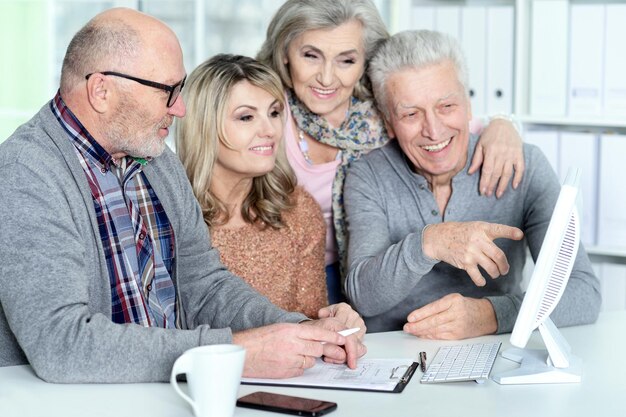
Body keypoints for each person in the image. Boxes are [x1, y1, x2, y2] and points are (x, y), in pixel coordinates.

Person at [0, 8, 366, 384]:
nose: (181, 108)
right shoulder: (26, 172)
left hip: (168, 391)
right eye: (167, 91)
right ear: (102, 91)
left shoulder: (156, 161)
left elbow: (203, 286)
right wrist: (232, 354)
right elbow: (61, 345)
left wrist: (303, 330)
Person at [257, 0, 525, 303]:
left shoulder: (389, 114)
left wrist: (505, 125)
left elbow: (455, 122)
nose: (327, 78)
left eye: (346, 60)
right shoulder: (266, 111)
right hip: (278, 273)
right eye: (311, 56)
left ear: (365, 63)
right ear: (284, 54)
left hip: (358, 274)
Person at [343, 29, 601, 336]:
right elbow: (364, 297)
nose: (434, 130)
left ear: (468, 105)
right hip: (391, 356)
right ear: (389, 122)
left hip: (488, 352)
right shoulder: (368, 175)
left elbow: (584, 293)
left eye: (447, 107)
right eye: (411, 114)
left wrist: (491, 315)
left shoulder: (525, 165)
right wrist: (430, 242)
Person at [176, 54, 327, 318]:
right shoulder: (167, 214)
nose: (270, 130)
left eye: (274, 113)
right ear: (204, 127)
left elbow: (313, 322)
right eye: (246, 117)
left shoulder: (297, 209)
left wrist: (337, 320)